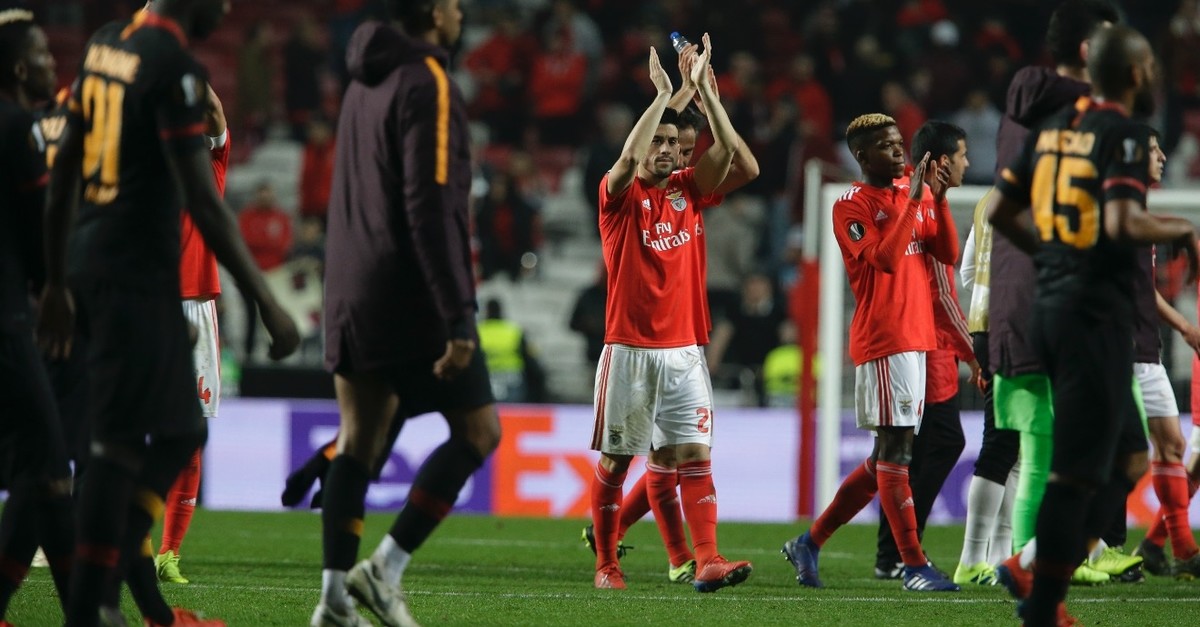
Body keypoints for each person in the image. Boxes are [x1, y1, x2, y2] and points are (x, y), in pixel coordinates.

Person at [37, 1, 301, 625]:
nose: (228, 8)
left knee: (116, 440)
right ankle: (114, 591)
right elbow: (208, 210)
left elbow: (67, 167)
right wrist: (267, 303)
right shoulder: (170, 69)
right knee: (165, 432)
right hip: (137, 284)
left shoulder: (104, 54)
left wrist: (53, 279)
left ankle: (120, 600)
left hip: (93, 270)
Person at [987, 24, 1199, 624]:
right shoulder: (1123, 134)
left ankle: (1034, 571)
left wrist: (1054, 255)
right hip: (1091, 317)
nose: (1154, 74)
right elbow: (1124, 222)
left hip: (1054, 310)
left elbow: (1000, 209)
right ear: (1133, 74)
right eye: (1148, 65)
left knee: (1129, 458)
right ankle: (1039, 592)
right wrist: (1181, 230)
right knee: (1083, 467)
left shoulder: (1054, 131)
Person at [312, 1, 501, 626]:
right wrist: (456, 313)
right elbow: (430, 204)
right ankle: (384, 569)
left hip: (350, 286)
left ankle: (334, 600)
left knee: (359, 440)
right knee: (479, 432)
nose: (461, 11)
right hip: (408, 291)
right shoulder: (430, 81)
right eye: (452, 2)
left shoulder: (363, 82)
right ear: (430, 12)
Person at [589, 33, 753, 593]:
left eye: (671, 143)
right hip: (630, 350)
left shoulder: (687, 189)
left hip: (684, 352)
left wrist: (706, 91)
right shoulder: (616, 198)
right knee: (616, 462)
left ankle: (706, 560)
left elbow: (730, 155)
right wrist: (663, 95)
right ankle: (606, 563)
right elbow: (629, 158)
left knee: (693, 456)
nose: (663, 150)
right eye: (656, 141)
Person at [781, 112, 961, 593]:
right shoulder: (851, 205)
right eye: (885, 146)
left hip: (917, 338)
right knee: (897, 453)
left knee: (887, 454)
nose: (899, 151)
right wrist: (913, 201)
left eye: (899, 142)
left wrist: (937, 199)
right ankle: (913, 565)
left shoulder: (912, 192)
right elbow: (882, 259)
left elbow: (946, 252)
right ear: (861, 156)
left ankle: (810, 542)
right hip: (884, 340)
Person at [875, 120, 978, 580]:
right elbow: (941, 289)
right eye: (961, 155)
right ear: (940, 162)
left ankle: (891, 551)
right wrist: (974, 354)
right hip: (925, 343)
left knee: (904, 450)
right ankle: (898, 550)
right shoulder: (919, 203)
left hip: (930, 342)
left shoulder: (931, 199)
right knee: (917, 447)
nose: (968, 163)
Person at [0, 5, 74, 620]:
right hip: (9, 325)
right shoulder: (18, 131)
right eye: (46, 55)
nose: (55, 64)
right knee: (50, 469)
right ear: (21, 68)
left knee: (37, 469)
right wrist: (60, 293)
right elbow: (40, 234)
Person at [155, 81, 232, 585]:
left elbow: (213, 106)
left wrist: (172, 55)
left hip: (197, 306)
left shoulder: (212, 159)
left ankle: (167, 553)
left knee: (191, 435)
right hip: (148, 305)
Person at [1129, 131, 1200, 578]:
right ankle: (1038, 556)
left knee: (1173, 447)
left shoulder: (1140, 218)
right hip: (1121, 350)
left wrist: (1183, 327)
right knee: (1116, 461)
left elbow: (1143, 290)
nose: (1162, 157)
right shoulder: (1119, 218)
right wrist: (1187, 325)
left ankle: (1172, 548)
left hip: (1145, 348)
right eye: (1153, 150)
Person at [477, 298, 545, 403]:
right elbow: (530, 359)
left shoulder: (478, 331)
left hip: (485, 378)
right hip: (512, 379)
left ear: (486, 311)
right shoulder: (514, 331)